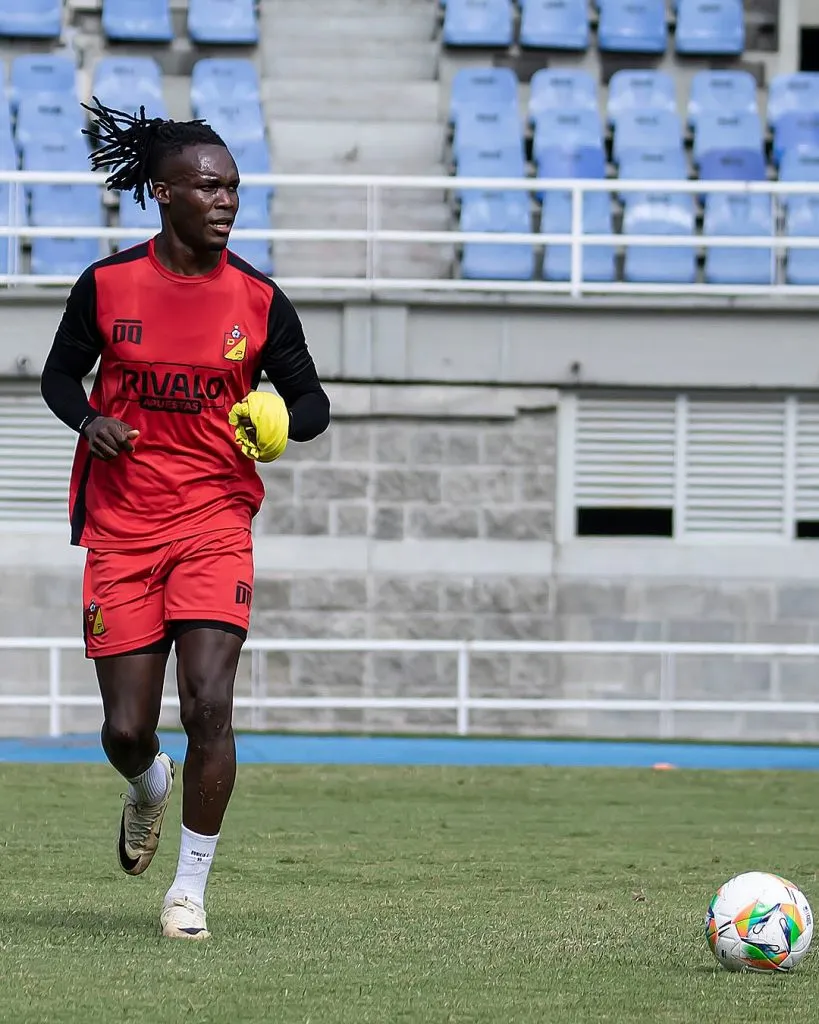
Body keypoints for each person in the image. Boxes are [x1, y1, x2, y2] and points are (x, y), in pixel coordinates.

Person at [40, 100, 330, 940]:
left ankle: (188, 893)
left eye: (234, 187)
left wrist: (281, 417)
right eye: (208, 187)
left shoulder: (260, 299)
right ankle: (146, 785)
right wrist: (86, 420)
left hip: (214, 519)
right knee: (127, 728)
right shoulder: (105, 285)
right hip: (122, 527)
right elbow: (58, 378)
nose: (226, 200)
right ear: (162, 193)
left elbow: (311, 401)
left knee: (209, 705)